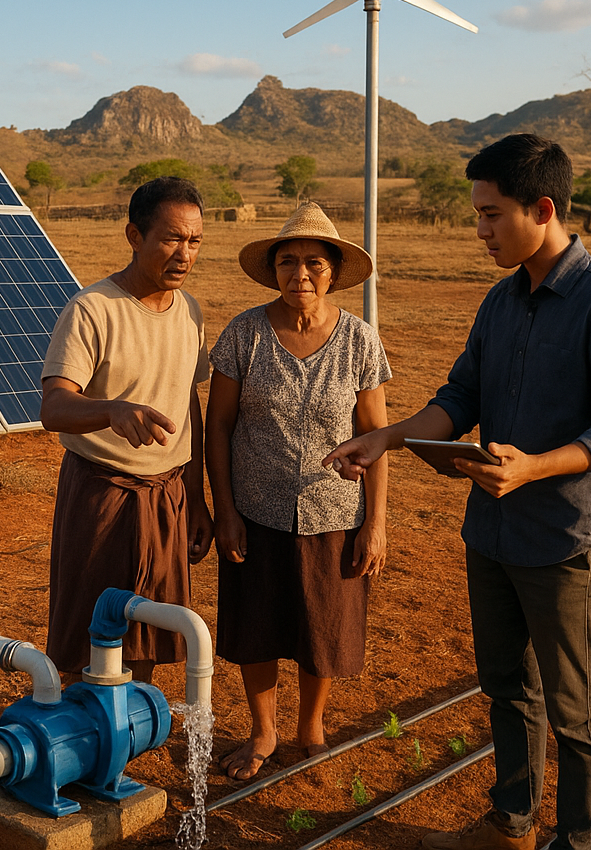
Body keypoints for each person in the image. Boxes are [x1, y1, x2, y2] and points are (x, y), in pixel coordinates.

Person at [324, 134, 591, 850]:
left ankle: (580, 839)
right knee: (505, 686)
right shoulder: (501, 302)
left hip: (564, 539)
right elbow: (460, 395)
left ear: (542, 208)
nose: (479, 231)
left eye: (492, 215)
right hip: (492, 532)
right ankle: (512, 822)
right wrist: (393, 437)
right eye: (476, 215)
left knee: (574, 707)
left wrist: (533, 467)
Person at [205, 202, 390, 780]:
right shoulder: (246, 333)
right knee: (255, 623)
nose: (300, 273)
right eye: (288, 261)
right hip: (255, 511)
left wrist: (376, 523)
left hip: (334, 512)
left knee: (322, 627)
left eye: (314, 262)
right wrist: (225, 511)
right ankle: (263, 732)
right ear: (273, 270)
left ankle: (311, 727)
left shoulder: (359, 341)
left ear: (334, 271)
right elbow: (218, 426)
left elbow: (375, 436)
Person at [40, 175, 214, 684]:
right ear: (134, 236)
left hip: (169, 496)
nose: (184, 254)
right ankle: (81, 737)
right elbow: (54, 406)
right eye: (171, 238)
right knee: (87, 632)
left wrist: (197, 497)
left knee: (150, 632)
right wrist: (110, 410)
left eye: (195, 241)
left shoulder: (191, 312)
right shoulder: (92, 310)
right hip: (102, 494)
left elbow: (189, 405)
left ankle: (128, 727)